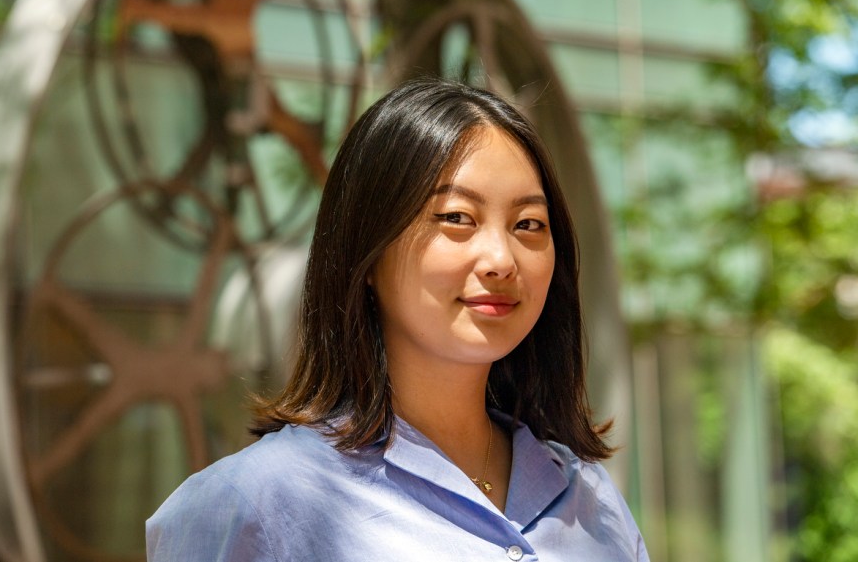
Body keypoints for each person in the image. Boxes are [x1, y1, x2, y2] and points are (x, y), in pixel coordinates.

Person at [147, 78, 649, 561]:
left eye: (528, 225)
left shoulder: (592, 500)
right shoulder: (250, 504)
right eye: (456, 217)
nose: (501, 258)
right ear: (368, 250)